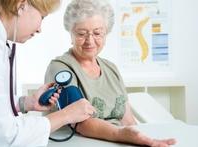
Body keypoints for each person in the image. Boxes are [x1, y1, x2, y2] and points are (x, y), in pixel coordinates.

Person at [0, 0, 96, 146]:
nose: (39, 29)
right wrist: (66, 115)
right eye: (42, 17)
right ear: (21, 5)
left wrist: (24, 103)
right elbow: (7, 137)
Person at [45, 0, 176, 146]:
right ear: (71, 33)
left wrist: (143, 139)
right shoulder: (60, 68)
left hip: (119, 141)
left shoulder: (111, 68)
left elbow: (127, 120)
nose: (90, 40)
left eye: (97, 33)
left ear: (106, 33)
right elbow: (81, 122)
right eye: (81, 33)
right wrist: (122, 134)